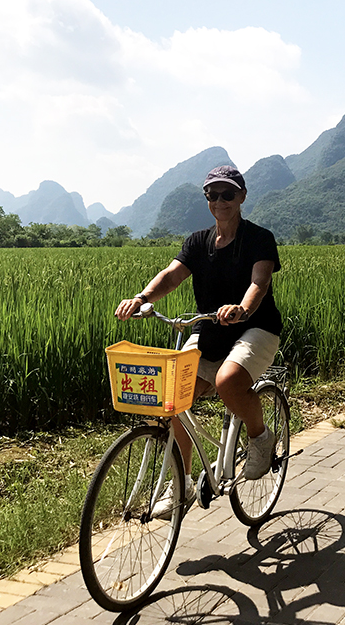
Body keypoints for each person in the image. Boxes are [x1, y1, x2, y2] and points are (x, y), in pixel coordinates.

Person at [115, 165, 283, 517]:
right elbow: (172, 275)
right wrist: (143, 298)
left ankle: (260, 438)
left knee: (228, 381)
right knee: (175, 397)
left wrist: (243, 308)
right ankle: (182, 483)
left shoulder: (259, 238)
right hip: (209, 329)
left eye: (228, 194)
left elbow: (260, 281)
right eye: (213, 194)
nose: (220, 201)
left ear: (242, 196)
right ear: (207, 199)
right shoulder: (197, 241)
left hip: (256, 327)